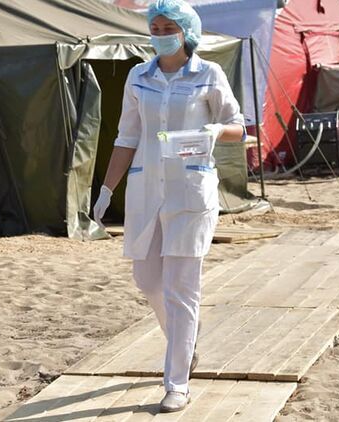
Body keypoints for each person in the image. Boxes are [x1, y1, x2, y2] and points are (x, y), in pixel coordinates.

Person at [92, 0, 246, 413]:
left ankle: (177, 382)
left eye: (168, 28)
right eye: (155, 28)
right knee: (147, 280)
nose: (160, 35)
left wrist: (215, 131)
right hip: (146, 191)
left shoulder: (208, 74)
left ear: (186, 31)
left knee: (181, 288)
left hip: (190, 193)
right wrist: (106, 189)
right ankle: (185, 342)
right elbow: (126, 137)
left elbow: (240, 128)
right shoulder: (138, 76)